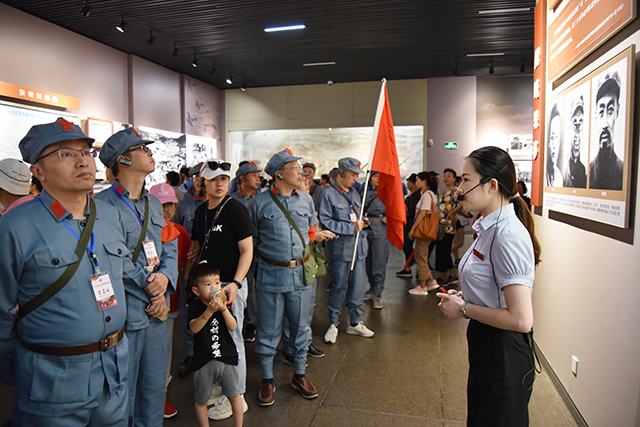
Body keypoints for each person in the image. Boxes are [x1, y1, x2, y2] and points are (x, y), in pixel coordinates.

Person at [0, 118, 139, 426]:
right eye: (65, 154)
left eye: (86, 153)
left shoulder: (110, 216)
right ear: (38, 172)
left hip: (113, 374)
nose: (82, 161)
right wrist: (21, 368)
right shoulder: (15, 227)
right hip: (52, 383)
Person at [436, 146, 541, 427]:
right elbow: (492, 285)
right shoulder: (488, 227)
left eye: (466, 180)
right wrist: (465, 296)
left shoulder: (508, 234)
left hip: (502, 350)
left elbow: (521, 319)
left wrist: (465, 309)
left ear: (492, 185)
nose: (460, 189)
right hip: (486, 343)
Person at [95, 128, 179, 427]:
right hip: (127, 313)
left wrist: (165, 279)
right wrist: (151, 287)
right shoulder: (101, 206)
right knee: (123, 392)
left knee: (155, 387)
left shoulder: (153, 203)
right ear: (123, 160)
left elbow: (169, 245)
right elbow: (109, 259)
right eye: (141, 148)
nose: (149, 152)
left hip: (156, 310)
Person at [249, 148, 334, 406]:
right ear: (278, 174)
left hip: (301, 275)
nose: (301, 172)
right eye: (295, 168)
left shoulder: (306, 200)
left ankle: (299, 375)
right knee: (268, 330)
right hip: (270, 275)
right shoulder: (258, 203)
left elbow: (311, 231)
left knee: (301, 327)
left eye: (300, 167)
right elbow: (252, 242)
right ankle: (267, 380)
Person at [188, 159, 252, 420]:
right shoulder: (201, 211)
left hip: (228, 284)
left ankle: (237, 394)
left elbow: (247, 251)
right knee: (209, 337)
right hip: (204, 286)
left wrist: (235, 284)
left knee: (232, 339)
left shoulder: (235, 209)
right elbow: (196, 247)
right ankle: (218, 384)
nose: (219, 184)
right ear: (203, 182)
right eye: (213, 180)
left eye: (224, 179)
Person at [320, 157, 375, 344]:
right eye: (352, 174)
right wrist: (350, 227)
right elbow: (326, 221)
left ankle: (354, 322)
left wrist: (363, 221)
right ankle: (333, 323)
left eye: (357, 175)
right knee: (339, 286)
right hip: (341, 249)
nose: (355, 179)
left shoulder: (355, 194)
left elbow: (357, 215)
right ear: (341, 173)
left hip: (358, 249)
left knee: (358, 286)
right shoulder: (328, 193)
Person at [149, 183, 191, 419]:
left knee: (164, 351)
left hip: (170, 304)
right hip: (141, 305)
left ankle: (160, 393)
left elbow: (189, 260)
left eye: (170, 205)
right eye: (160, 204)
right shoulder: (142, 230)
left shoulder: (179, 232)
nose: (166, 210)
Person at [188, 263, 243, 427]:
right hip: (204, 360)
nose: (214, 287)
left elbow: (233, 326)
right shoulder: (195, 306)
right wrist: (209, 311)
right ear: (196, 291)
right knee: (201, 399)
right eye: (207, 284)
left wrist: (224, 309)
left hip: (227, 357)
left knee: (235, 395)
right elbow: (194, 328)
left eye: (217, 283)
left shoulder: (224, 304)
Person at [229, 161, 262, 343]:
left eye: (258, 175)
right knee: (246, 288)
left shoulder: (263, 199)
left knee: (263, 289)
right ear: (242, 178)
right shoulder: (232, 201)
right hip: (243, 253)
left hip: (262, 251)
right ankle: (249, 322)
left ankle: (263, 322)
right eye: (253, 175)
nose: (258, 178)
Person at [590, 71, 624, 190]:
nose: (605, 124)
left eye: (610, 111)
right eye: (601, 112)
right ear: (596, 116)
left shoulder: (623, 171)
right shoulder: (588, 173)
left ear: (617, 111)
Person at [407, 171, 439, 295]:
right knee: (423, 257)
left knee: (420, 258)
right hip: (427, 231)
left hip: (423, 231)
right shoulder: (430, 194)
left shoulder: (426, 195)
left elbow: (423, 213)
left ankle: (422, 286)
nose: (416, 183)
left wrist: (413, 228)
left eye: (417, 180)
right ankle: (431, 281)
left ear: (424, 181)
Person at [363, 171, 389, 309]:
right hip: (367, 226)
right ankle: (372, 289)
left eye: (380, 176)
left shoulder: (387, 192)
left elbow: (396, 208)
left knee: (379, 260)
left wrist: (389, 217)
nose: (378, 179)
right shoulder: (365, 192)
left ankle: (378, 293)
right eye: (375, 176)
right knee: (368, 260)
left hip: (381, 227)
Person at [434, 168, 461, 285]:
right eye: (444, 176)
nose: (446, 178)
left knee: (443, 251)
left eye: (449, 176)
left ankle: (443, 277)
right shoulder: (444, 191)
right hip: (441, 225)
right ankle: (453, 275)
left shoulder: (455, 191)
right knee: (444, 251)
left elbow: (462, 204)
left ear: (454, 179)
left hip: (448, 226)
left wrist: (452, 213)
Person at [396, 173, 420, 278]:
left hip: (410, 225)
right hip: (407, 224)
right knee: (406, 246)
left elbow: (411, 212)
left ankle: (411, 266)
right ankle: (408, 266)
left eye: (410, 182)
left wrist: (400, 213)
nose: (408, 184)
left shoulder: (415, 196)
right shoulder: (411, 195)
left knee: (407, 246)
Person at [564, 95, 587, 188]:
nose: (578, 130)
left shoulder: (583, 169)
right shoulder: (565, 170)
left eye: (580, 122)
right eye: (575, 123)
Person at [546, 103, 563, 187]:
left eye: (557, 138)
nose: (553, 145)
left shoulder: (559, 176)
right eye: (552, 137)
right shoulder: (544, 175)